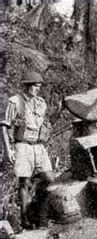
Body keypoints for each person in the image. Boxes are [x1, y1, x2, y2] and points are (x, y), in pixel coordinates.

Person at [1, 72, 54, 229]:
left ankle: (38, 213)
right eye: (34, 86)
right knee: (24, 182)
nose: (37, 89)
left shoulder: (41, 103)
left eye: (39, 86)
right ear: (27, 85)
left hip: (38, 146)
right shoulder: (15, 101)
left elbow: (45, 124)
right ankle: (25, 218)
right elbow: (5, 126)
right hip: (22, 145)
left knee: (50, 179)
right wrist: (8, 149)